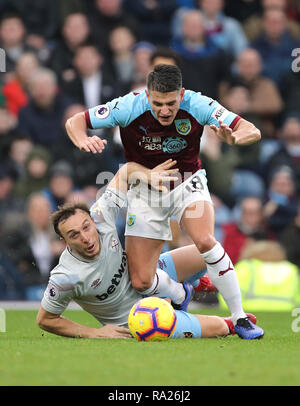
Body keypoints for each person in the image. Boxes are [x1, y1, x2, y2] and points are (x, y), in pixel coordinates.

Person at [65, 63, 264, 338]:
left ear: (181, 95)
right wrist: (81, 140)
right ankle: (181, 291)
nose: (165, 110)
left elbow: (251, 129)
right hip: (144, 191)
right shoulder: (127, 106)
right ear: (147, 96)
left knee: (205, 240)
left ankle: (240, 318)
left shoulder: (198, 103)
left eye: (171, 103)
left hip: (187, 182)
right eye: (158, 103)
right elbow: (74, 121)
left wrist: (236, 138)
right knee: (141, 280)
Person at [37, 160, 259, 339]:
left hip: (146, 275)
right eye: (74, 235)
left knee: (207, 251)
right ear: (64, 240)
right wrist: (95, 332)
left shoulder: (101, 216)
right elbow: (45, 319)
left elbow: (125, 172)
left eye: (86, 227)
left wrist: (147, 174)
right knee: (220, 328)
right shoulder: (66, 276)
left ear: (92, 222)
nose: (85, 237)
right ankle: (226, 321)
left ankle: (188, 287)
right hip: (141, 317)